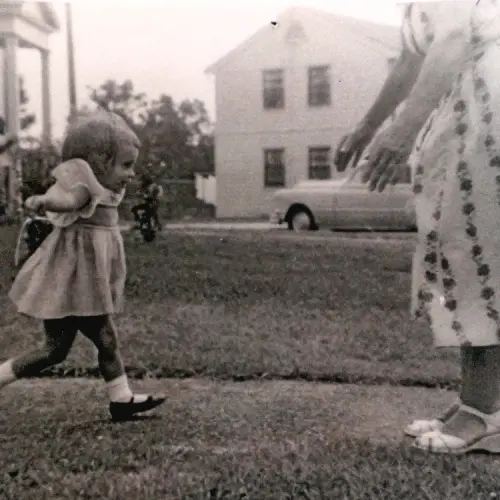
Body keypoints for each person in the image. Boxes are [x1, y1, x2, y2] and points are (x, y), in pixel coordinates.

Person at [335, 0, 500, 454]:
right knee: (463, 252)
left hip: (488, 112)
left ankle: (484, 413)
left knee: (476, 255)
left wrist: (402, 129)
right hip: (465, 112)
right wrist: (369, 126)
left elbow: (450, 43)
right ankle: (481, 401)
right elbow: (411, 60)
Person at [0, 110, 166, 421]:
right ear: (98, 165)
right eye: (125, 165)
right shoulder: (86, 188)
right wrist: (45, 201)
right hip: (74, 281)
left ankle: (121, 398)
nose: (131, 173)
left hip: (83, 281)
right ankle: (120, 397)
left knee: (61, 348)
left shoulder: (107, 190)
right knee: (89, 340)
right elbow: (68, 203)